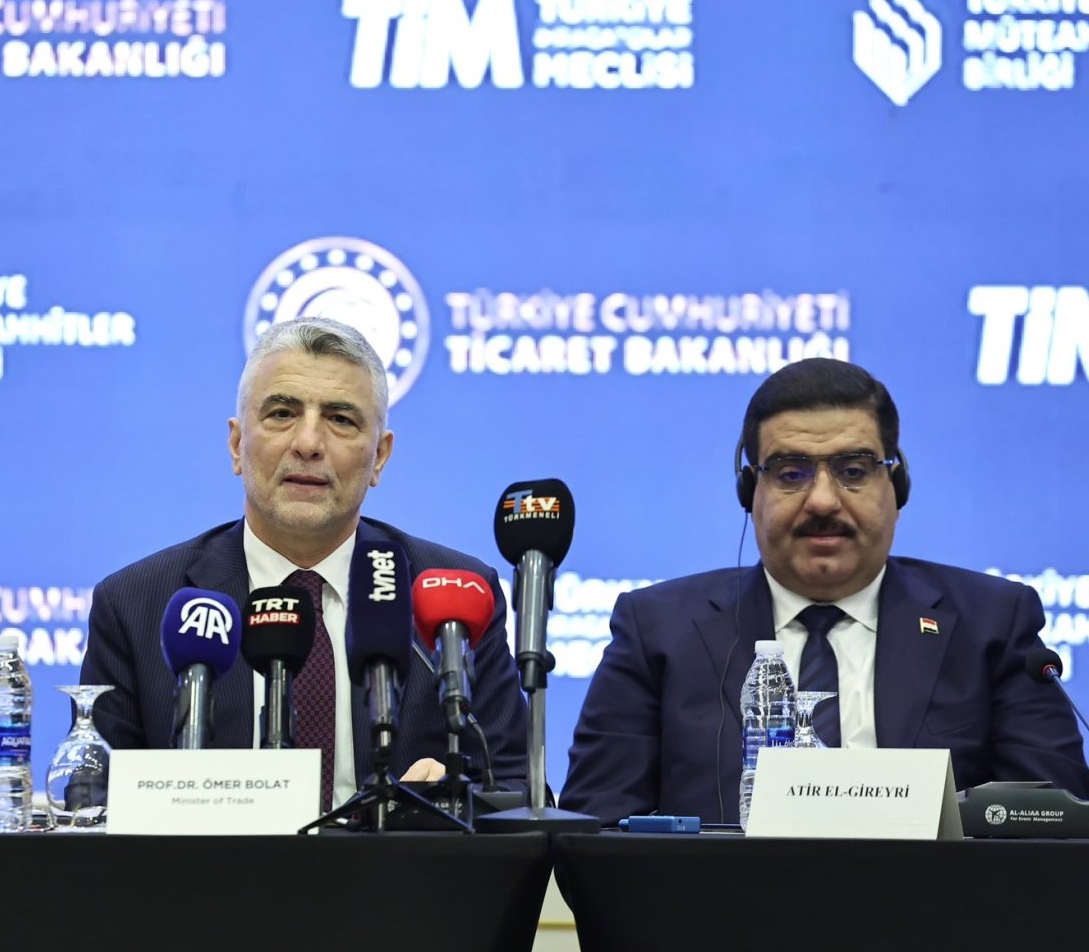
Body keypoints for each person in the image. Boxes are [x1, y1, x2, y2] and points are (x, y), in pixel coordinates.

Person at [560, 358, 1089, 824]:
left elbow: (1055, 827)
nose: (822, 501)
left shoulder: (992, 623)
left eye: (853, 471)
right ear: (750, 492)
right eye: (790, 473)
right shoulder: (658, 631)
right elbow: (595, 829)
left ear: (897, 486)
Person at [81, 317, 526, 808]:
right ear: (236, 445)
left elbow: (520, 789)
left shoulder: (453, 600)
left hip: (392, 881)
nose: (309, 443)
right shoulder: (138, 603)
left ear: (379, 456)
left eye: (341, 419)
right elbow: (94, 805)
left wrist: (450, 802)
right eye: (281, 413)